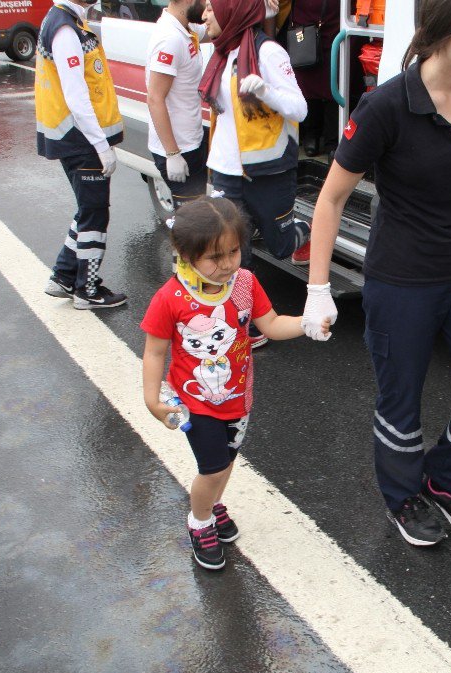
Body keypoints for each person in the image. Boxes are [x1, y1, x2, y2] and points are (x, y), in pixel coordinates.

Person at [301, 0, 451, 547]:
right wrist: (318, 288)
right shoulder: (386, 105)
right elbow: (332, 198)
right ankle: (403, 496)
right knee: (401, 400)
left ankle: (443, 481)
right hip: (402, 278)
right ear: (437, 33)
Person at [140, 196, 329, 570]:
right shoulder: (171, 299)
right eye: (214, 256)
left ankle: (211, 502)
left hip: (239, 399)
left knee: (226, 463)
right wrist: (151, 399)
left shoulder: (244, 283)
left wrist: (307, 323)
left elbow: (271, 325)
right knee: (212, 468)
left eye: (233, 251)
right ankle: (200, 521)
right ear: (184, 252)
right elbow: (154, 352)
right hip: (195, 403)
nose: (227, 263)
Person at [198, 0, 312, 323]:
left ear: (230, 11)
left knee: (280, 245)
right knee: (235, 254)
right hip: (226, 170)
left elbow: (300, 109)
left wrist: (265, 92)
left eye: (210, 7)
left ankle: (309, 233)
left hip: (268, 170)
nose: (204, 14)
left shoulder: (268, 53)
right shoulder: (220, 52)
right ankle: (243, 324)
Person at [36, 0, 127, 309]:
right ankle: (86, 290)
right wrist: (101, 146)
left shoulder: (67, 20)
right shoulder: (64, 29)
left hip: (76, 136)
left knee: (87, 210)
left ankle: (63, 276)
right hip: (81, 138)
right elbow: (76, 95)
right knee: (95, 215)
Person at [146, 0, 210, 214]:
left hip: (191, 140)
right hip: (179, 148)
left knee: (197, 220)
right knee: (193, 225)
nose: (207, 3)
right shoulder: (170, 39)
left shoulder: (185, 28)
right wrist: (172, 154)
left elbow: (218, 29)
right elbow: (155, 98)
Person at [282, 0, 341, 157]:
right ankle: (311, 135)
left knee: (334, 84)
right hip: (304, 28)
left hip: (335, 26)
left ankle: (332, 141)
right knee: (306, 81)